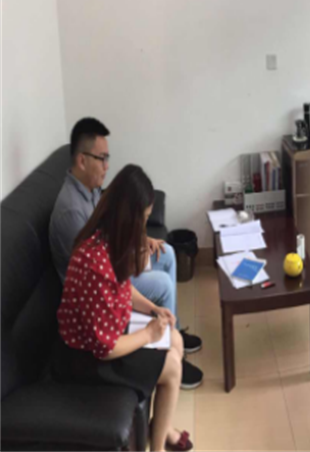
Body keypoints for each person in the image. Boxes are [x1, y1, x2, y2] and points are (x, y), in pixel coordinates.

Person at [49, 118, 203, 389]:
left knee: (166, 253)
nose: (107, 166)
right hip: (94, 295)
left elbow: (113, 230)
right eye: (102, 158)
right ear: (82, 160)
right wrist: (135, 246)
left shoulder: (90, 191)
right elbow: (97, 272)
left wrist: (142, 237)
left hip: (106, 277)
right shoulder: (72, 213)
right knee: (163, 282)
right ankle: (167, 351)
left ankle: (172, 330)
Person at [54, 165, 193, 452]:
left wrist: (153, 309)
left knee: (176, 340)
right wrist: (149, 335)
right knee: (171, 367)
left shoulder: (107, 238)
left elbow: (124, 287)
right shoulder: (93, 262)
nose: (144, 227)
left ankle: (162, 427)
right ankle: (158, 445)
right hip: (86, 358)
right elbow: (105, 348)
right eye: (143, 218)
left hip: (109, 331)